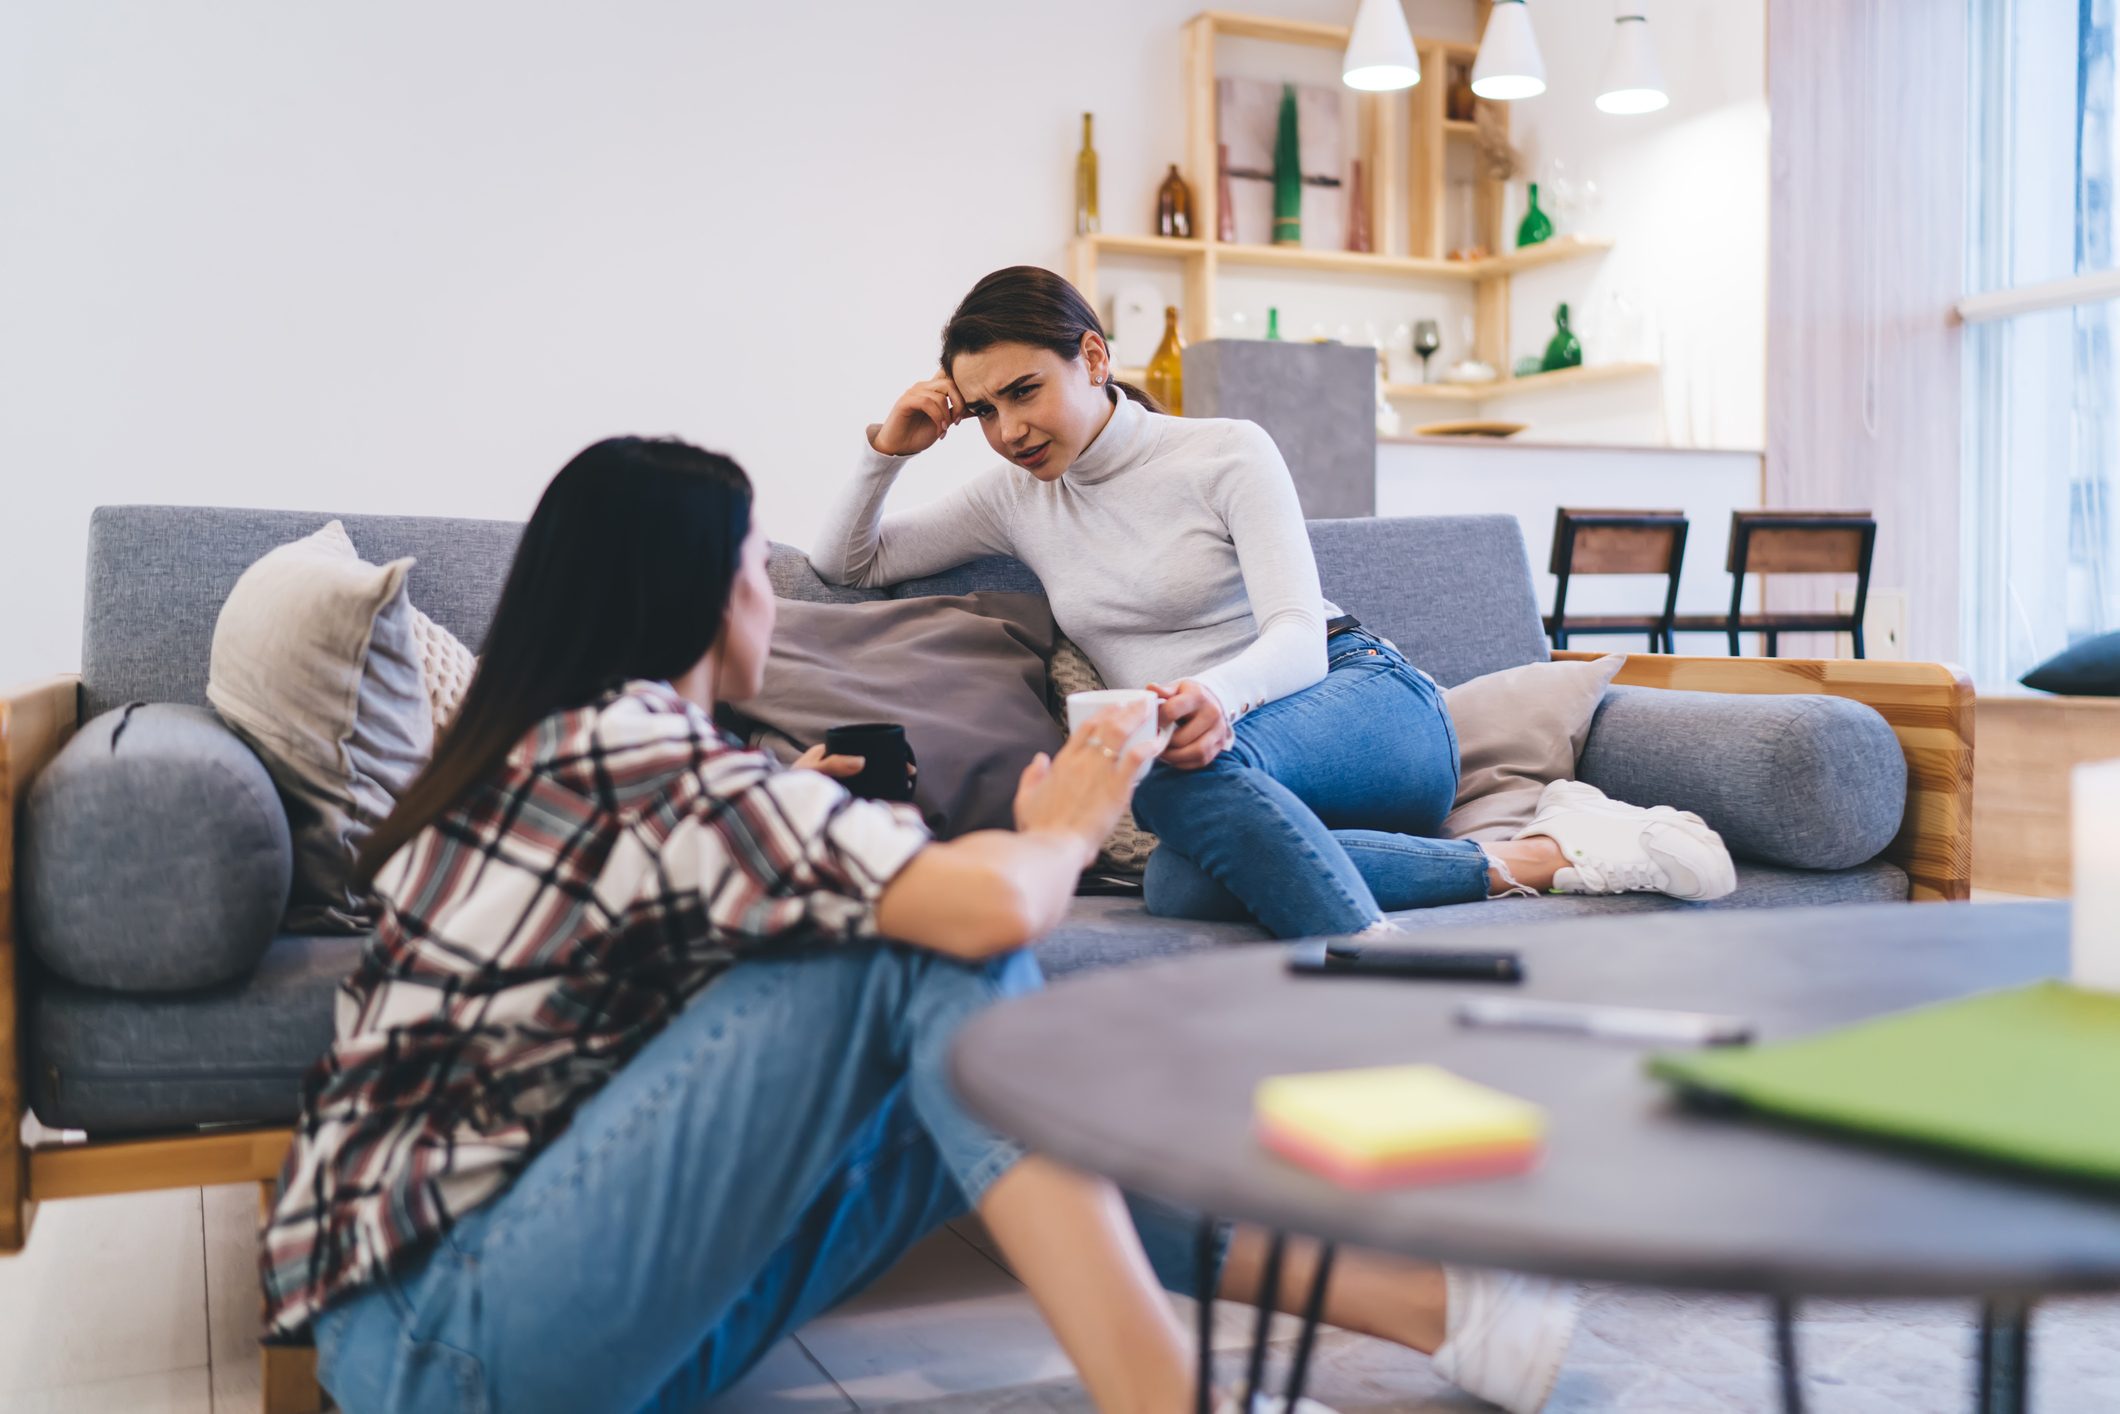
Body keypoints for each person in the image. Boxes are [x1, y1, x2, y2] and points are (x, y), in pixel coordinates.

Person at [259, 436, 1572, 1414]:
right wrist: (1075, 812)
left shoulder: (566, 752)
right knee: (935, 955)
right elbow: (991, 902)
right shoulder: (631, 756)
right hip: (450, 1346)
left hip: (526, 1333)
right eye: (755, 566)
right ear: (716, 596)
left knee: (957, 1083)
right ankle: (1174, 1391)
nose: (774, 592)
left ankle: (1426, 1304)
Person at [810, 265, 1736, 943]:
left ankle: (1376, 969)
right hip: (1219, 770)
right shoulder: (1015, 498)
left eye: (1024, 391)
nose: (1007, 431)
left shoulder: (1224, 451)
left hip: (1364, 705)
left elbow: (1297, 632)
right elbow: (849, 564)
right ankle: (1538, 856)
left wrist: (1217, 699)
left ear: (1092, 357)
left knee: (1167, 774)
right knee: (1176, 884)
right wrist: (886, 451)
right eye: (982, 412)